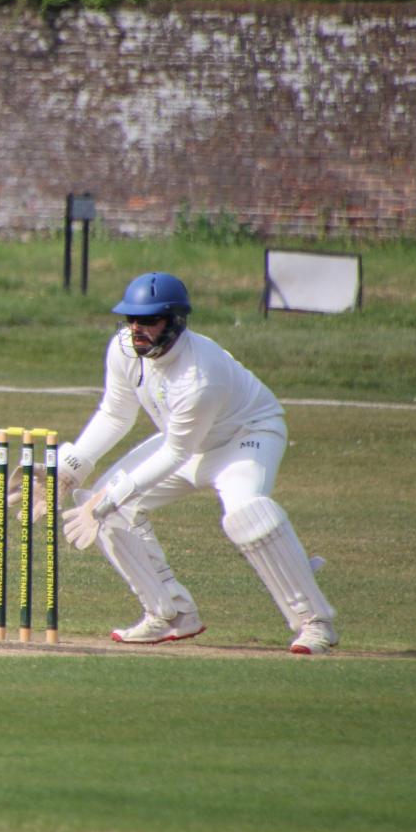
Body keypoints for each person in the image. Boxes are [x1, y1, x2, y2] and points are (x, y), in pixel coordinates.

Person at [55, 271, 339, 655]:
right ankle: (170, 613)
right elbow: (115, 414)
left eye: (149, 321)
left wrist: (110, 495)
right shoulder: (124, 349)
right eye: (131, 319)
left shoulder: (200, 376)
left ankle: (315, 622)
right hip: (187, 439)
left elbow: (176, 454)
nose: (137, 329)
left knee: (247, 514)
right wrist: (69, 469)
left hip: (245, 438)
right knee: (108, 509)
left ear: (174, 322)